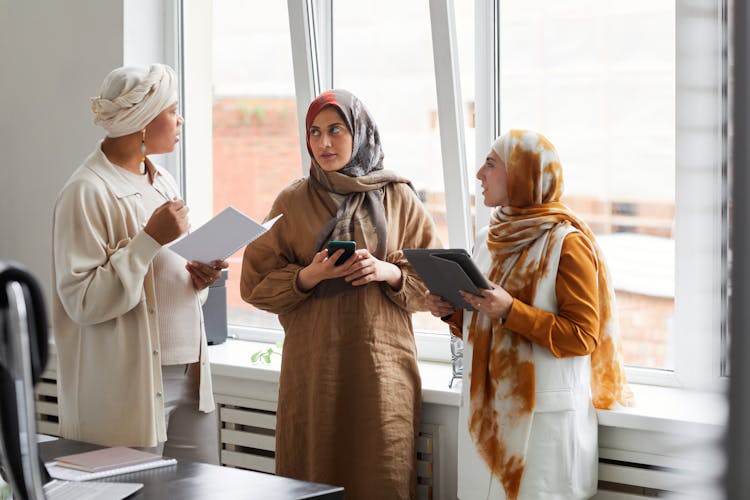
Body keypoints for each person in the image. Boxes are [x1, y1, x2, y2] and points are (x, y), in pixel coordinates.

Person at [240, 89, 441, 499]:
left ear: (360, 133)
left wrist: (387, 271)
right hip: (314, 369)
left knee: (381, 471)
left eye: (336, 130)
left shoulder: (398, 196)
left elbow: (435, 283)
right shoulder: (293, 199)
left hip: (380, 367)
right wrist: (308, 276)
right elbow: (254, 284)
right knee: (312, 474)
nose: (324, 143)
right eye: (314, 132)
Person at [426, 130, 632, 499]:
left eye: (490, 164)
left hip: (542, 427)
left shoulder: (567, 243)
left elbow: (584, 336)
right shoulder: (489, 238)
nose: (478, 174)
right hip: (487, 418)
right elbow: (484, 319)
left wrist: (511, 311)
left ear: (523, 173)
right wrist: (451, 315)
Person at [52, 64, 228, 464]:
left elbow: (162, 280)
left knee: (199, 491)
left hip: (191, 376)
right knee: (136, 490)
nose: (180, 119)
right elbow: (82, 302)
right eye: (173, 110)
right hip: (128, 387)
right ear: (143, 122)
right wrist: (148, 239)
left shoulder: (163, 180)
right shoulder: (86, 191)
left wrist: (199, 279)